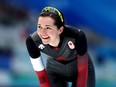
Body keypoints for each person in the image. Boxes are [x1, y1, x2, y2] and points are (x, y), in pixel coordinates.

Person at [26, 6, 95, 87]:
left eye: (48, 28)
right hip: (54, 70)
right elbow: (42, 78)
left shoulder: (77, 37)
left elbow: (82, 72)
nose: (42, 32)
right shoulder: (32, 41)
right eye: (39, 26)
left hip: (80, 69)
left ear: (60, 30)